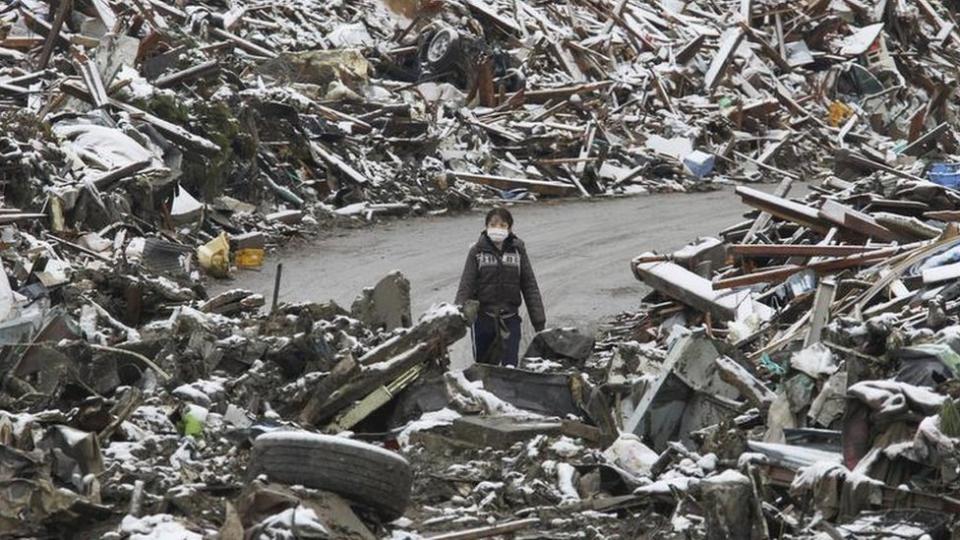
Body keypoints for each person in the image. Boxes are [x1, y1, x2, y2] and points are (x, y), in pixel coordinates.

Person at [455, 207, 545, 367]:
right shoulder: (477, 252)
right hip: (483, 320)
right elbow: (466, 284)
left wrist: (538, 319)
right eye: (493, 224)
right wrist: (456, 316)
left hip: (510, 319)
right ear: (486, 227)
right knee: (484, 367)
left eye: (502, 225)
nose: (497, 229)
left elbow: (529, 285)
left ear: (509, 228)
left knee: (510, 367)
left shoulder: (517, 251)